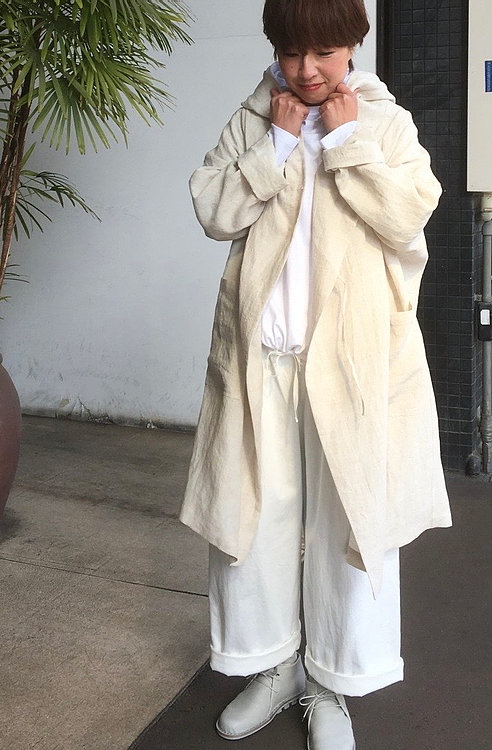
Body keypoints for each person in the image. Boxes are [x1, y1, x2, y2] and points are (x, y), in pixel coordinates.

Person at [180, 0, 452, 747]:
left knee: (350, 518)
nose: (306, 70)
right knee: (253, 512)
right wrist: (275, 143)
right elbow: (212, 209)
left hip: (353, 363)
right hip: (261, 356)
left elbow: (410, 214)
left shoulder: (383, 122)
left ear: (353, 45)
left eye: (324, 53)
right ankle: (273, 665)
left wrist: (346, 143)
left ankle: (331, 681)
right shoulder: (254, 119)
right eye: (292, 52)